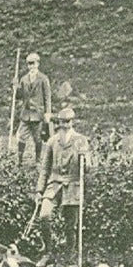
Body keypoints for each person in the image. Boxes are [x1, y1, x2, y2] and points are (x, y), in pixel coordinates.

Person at [36, 107, 92, 258]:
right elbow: (44, 168)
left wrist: (84, 159)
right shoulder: (52, 141)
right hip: (54, 185)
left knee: (70, 226)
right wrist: (39, 190)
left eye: (68, 122)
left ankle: (69, 257)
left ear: (72, 122)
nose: (65, 126)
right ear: (58, 123)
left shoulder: (81, 140)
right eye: (62, 122)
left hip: (73, 186)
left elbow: (88, 168)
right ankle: (47, 251)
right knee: (44, 215)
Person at [14, 51, 52, 166]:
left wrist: (48, 112)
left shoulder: (43, 79)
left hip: (38, 113)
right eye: (29, 64)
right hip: (26, 114)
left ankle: (38, 160)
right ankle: (19, 160)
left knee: (38, 138)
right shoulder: (24, 79)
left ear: (38, 64)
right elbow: (19, 96)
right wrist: (16, 87)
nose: (31, 66)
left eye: (33, 63)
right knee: (21, 137)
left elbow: (47, 96)